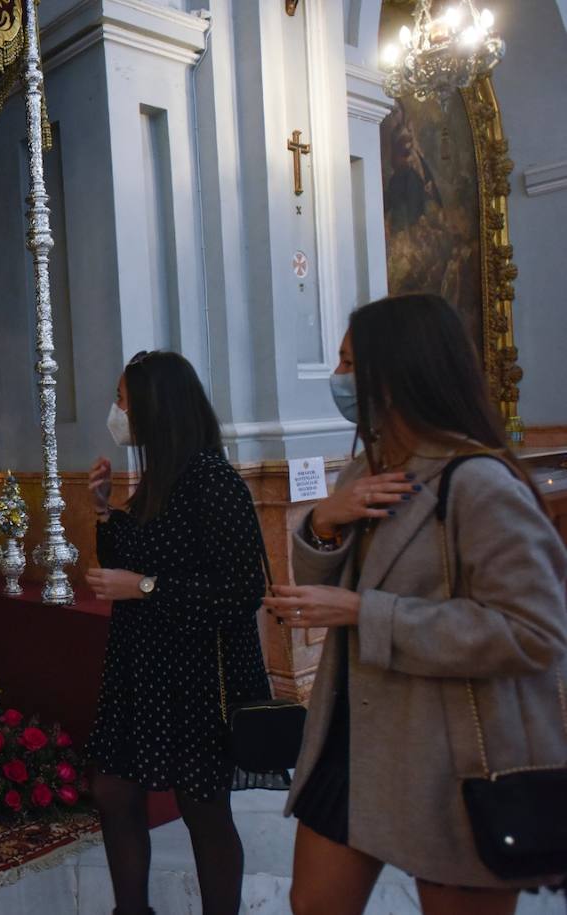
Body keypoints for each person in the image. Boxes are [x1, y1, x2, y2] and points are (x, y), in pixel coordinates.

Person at [265, 293, 567, 915]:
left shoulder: (477, 482)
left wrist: (363, 613)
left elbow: (533, 631)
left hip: (448, 754)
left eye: (350, 364)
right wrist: (322, 522)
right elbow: (333, 578)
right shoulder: (367, 469)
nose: (339, 380)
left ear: (396, 373)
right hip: (353, 740)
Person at [84, 350, 272, 915]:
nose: (116, 412)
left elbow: (241, 591)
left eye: (122, 400)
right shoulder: (159, 477)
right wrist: (102, 512)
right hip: (143, 665)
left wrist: (143, 587)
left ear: (153, 407)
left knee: (203, 808)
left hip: (197, 673)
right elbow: (141, 553)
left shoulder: (214, 483)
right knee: (113, 789)